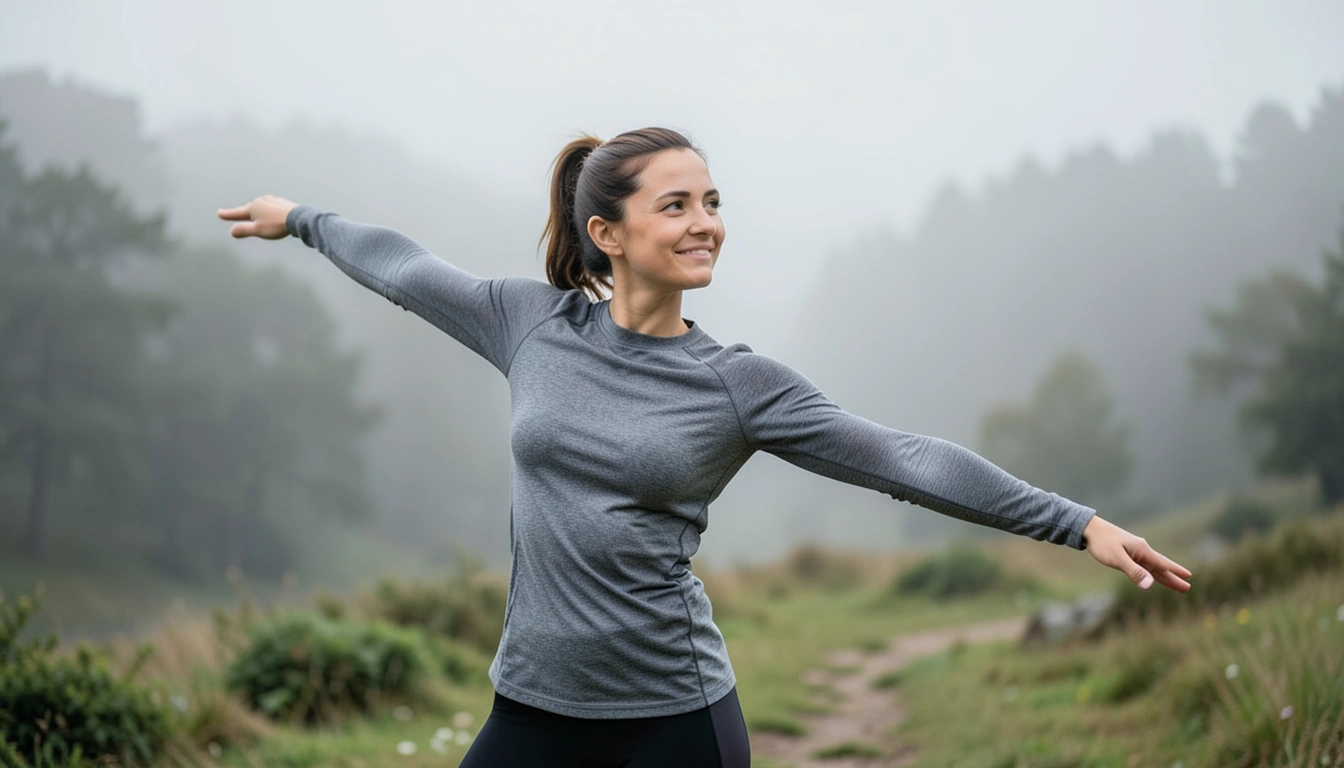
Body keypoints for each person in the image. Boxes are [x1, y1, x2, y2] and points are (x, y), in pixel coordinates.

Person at [218, 126, 1192, 768]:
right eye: (678, 205)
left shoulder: (737, 384)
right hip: (532, 705)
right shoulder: (528, 324)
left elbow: (902, 458)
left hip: (672, 722)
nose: (708, 225)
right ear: (607, 231)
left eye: (713, 202)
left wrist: (1079, 525)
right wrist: (300, 220)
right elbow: (402, 266)